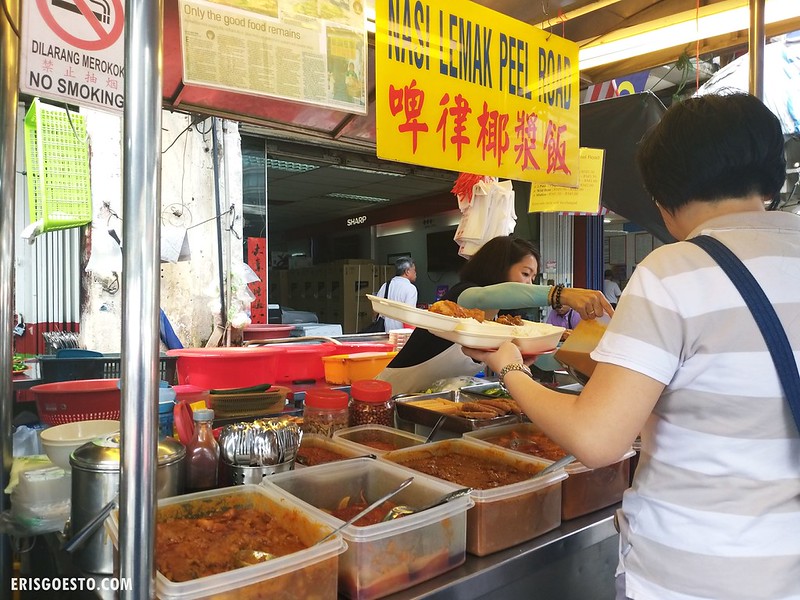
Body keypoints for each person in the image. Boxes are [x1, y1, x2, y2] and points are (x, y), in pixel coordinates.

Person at [463, 93, 800, 600]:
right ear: (772, 175)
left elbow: (597, 440)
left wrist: (510, 367)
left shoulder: (677, 269)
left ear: (661, 195)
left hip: (692, 574)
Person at [376, 236, 611, 394]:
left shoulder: (501, 322)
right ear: (499, 267)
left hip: (431, 400)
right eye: (525, 274)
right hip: (391, 395)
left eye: (533, 277)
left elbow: (542, 360)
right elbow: (485, 297)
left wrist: (585, 353)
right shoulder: (464, 296)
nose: (530, 284)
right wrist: (561, 294)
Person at [375, 257, 418, 332]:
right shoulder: (410, 288)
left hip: (386, 332)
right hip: (402, 333)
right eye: (414, 270)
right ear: (407, 271)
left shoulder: (386, 285)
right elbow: (409, 315)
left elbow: (376, 309)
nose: (415, 273)